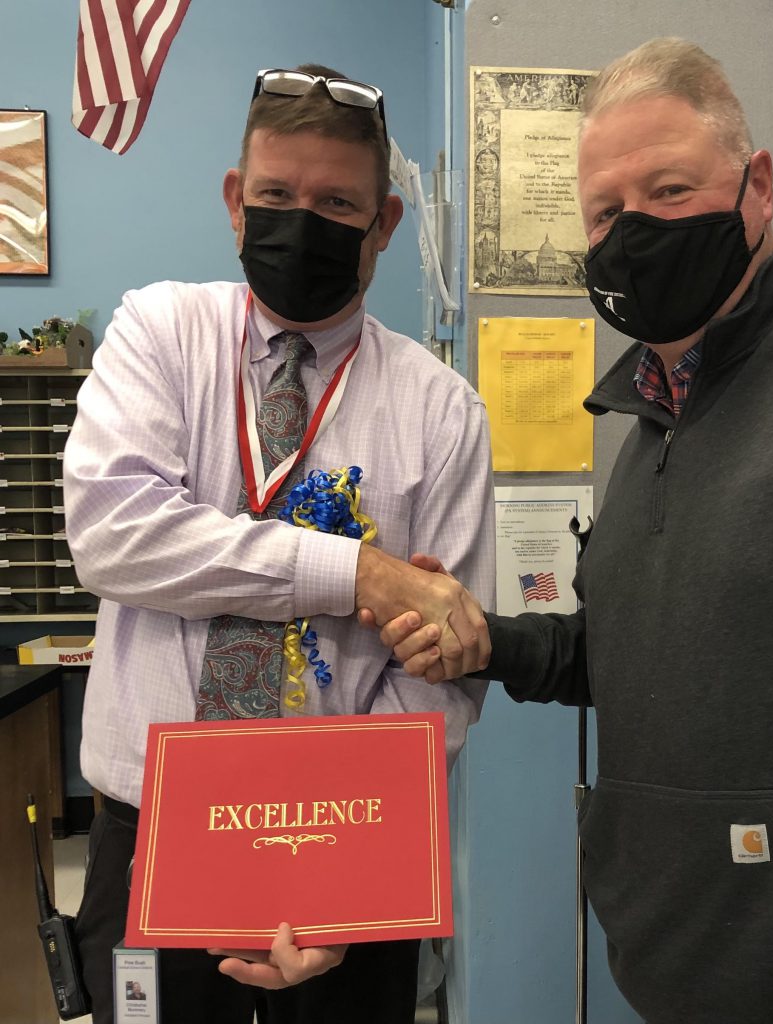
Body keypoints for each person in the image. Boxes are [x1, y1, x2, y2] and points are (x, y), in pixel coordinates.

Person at [369, 38, 773, 1024]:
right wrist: (487, 644)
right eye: (606, 212)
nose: (633, 233)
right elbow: (630, 650)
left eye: (667, 191)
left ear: (758, 187)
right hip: (675, 979)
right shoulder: (651, 417)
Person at [63, 63, 494, 1024]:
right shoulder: (159, 333)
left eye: (337, 203)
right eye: (276, 196)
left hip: (345, 835)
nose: (302, 222)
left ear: (383, 224)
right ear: (234, 200)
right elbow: (115, 536)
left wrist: (350, 871)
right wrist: (358, 574)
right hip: (150, 831)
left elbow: (443, 667)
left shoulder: (440, 410)